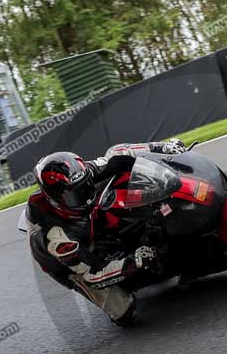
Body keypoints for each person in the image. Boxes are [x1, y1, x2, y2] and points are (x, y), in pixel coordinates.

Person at [25, 138, 187, 325]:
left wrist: (160, 147)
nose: (86, 197)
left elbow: (118, 153)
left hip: (86, 223)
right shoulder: (55, 236)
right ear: (55, 199)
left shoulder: (83, 173)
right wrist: (133, 261)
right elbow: (92, 274)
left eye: (86, 186)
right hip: (73, 265)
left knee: (121, 185)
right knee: (124, 311)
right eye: (75, 195)